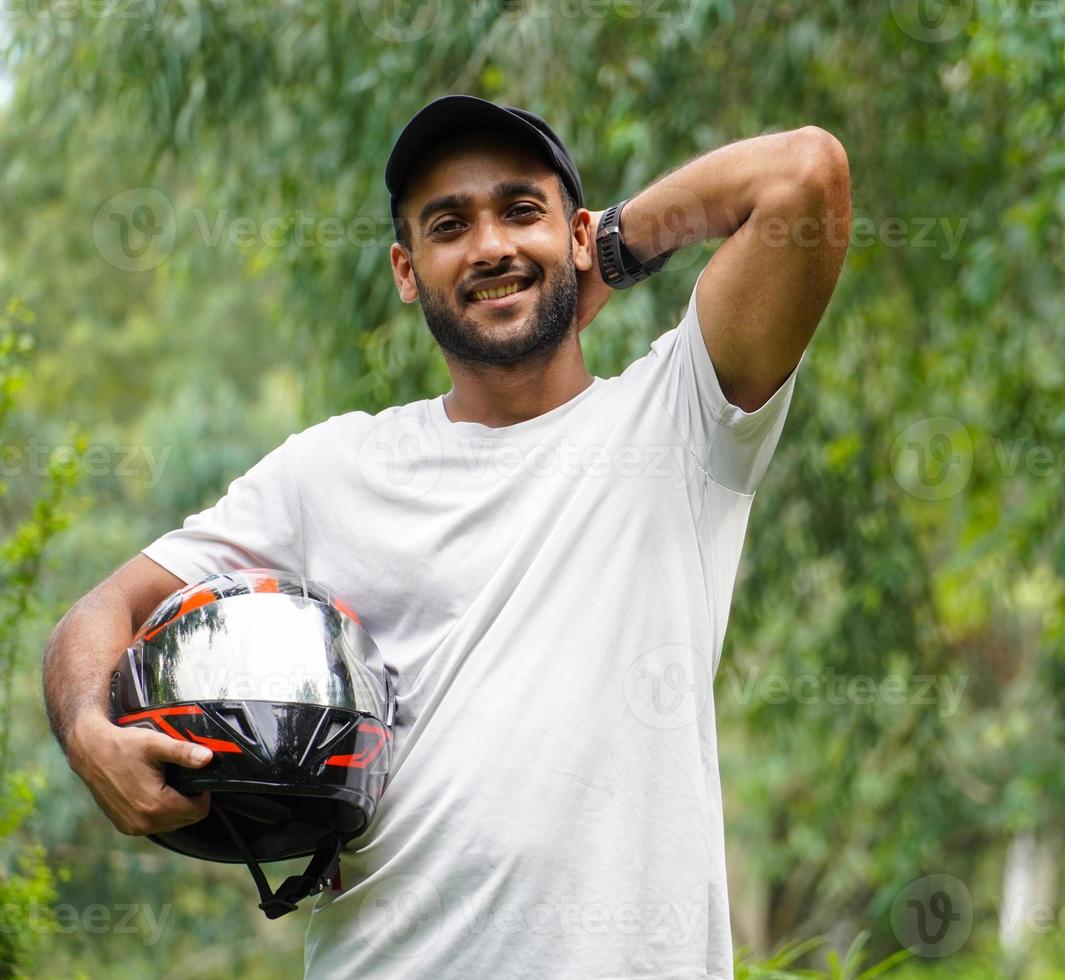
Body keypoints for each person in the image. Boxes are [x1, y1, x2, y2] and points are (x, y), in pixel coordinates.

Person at [42, 94, 851, 978]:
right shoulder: (332, 470)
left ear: (577, 233)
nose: (491, 245)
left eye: (521, 210)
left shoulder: (678, 422)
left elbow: (804, 175)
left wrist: (607, 255)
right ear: (406, 268)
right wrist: (90, 732)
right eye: (450, 225)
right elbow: (104, 610)